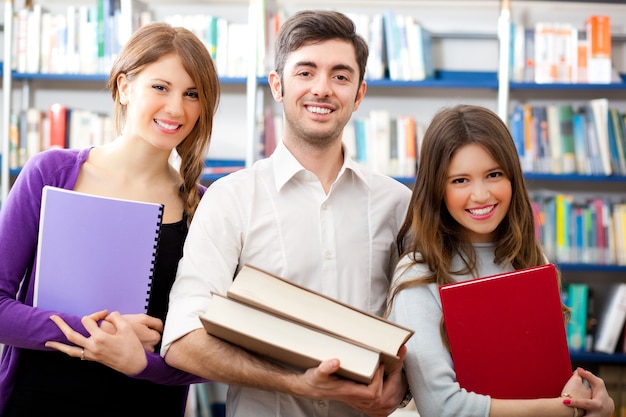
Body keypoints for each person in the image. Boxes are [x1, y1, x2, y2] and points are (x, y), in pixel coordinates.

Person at [161, 9, 412, 417]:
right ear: (277, 85)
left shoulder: (398, 204)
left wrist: (403, 381)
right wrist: (294, 381)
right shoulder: (231, 199)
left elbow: (426, 320)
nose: (322, 89)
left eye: (340, 76)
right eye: (305, 72)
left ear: (359, 94)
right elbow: (181, 340)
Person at [0, 22, 220, 417]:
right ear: (123, 87)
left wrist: (138, 361)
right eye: (160, 87)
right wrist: (93, 333)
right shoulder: (51, 173)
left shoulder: (204, 209)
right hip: (36, 402)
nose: (176, 108)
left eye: (192, 94)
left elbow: (212, 354)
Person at [386, 104, 615, 417]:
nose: (481, 195)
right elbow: (443, 408)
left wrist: (591, 401)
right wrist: (566, 410)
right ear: (437, 189)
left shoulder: (532, 260)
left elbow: (547, 378)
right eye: (460, 180)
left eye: (493, 174)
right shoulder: (419, 275)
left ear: (512, 178)